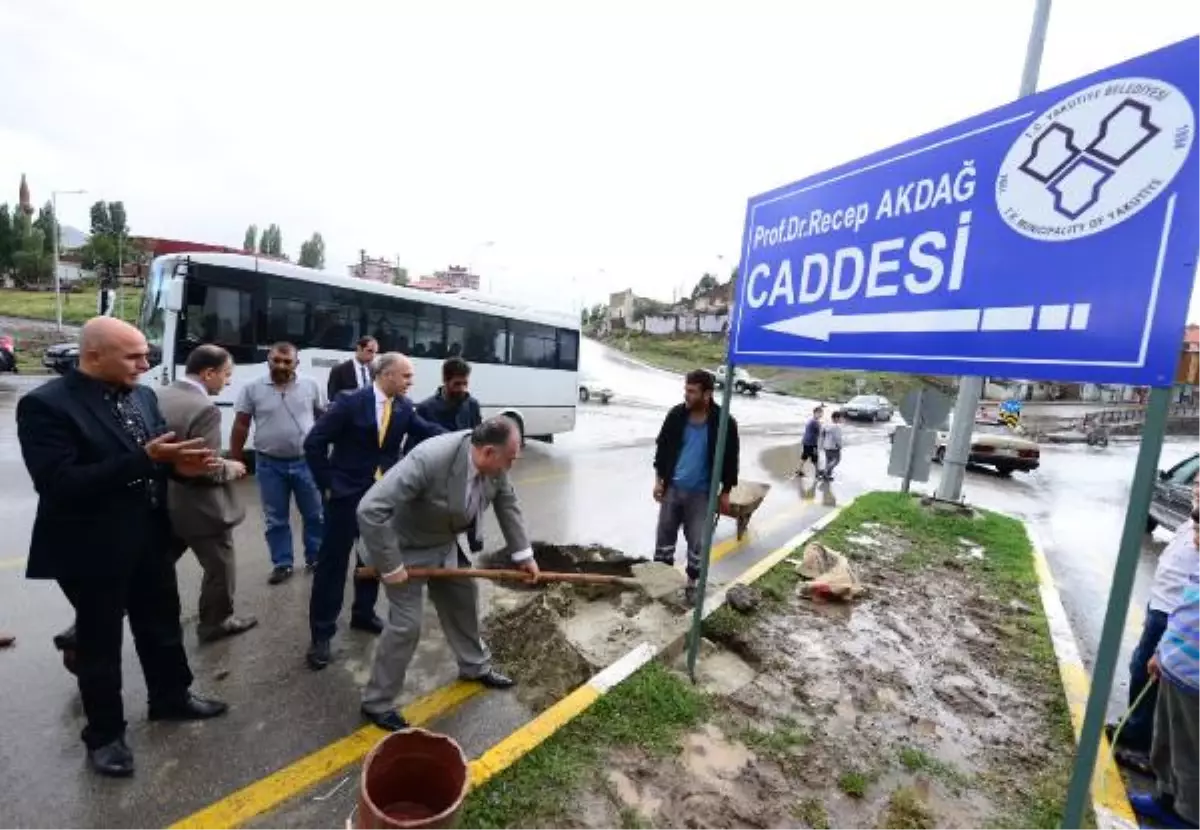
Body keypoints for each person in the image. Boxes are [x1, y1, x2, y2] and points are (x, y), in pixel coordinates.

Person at [17, 317, 228, 778]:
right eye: (134, 356)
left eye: (145, 354)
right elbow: (60, 484)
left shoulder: (143, 395)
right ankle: (105, 736)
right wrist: (146, 459)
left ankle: (170, 697)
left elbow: (157, 462)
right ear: (94, 356)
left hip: (150, 537)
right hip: (90, 547)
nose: (146, 363)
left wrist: (181, 469)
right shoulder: (46, 406)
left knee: (161, 624)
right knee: (100, 645)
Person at [356, 417, 539, 731]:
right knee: (406, 626)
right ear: (487, 453)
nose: (512, 466)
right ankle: (377, 703)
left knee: (464, 601)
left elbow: (507, 503)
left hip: (446, 544)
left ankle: (474, 666)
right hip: (404, 549)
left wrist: (524, 555)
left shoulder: (496, 467)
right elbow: (370, 509)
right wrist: (391, 566)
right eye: (510, 459)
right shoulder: (430, 459)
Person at [304, 353, 445, 671]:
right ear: (387, 374)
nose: (411, 382)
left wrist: (466, 437)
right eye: (407, 376)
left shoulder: (405, 407)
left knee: (372, 557)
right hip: (345, 496)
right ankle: (321, 634)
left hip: (381, 499)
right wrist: (328, 484)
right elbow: (314, 443)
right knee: (333, 565)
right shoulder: (349, 402)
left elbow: (428, 430)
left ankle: (363, 614)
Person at [157, 344, 257, 643]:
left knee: (151, 567)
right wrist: (234, 467)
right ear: (208, 373)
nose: (227, 382)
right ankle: (216, 622)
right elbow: (206, 468)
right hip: (200, 509)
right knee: (220, 567)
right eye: (226, 375)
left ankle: (85, 626)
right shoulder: (205, 409)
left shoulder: (159, 394)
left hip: (164, 501)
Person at [1108, 495, 1200, 771]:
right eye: (1196, 483)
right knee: (1144, 670)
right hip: (1165, 612)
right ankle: (1140, 732)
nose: (1198, 490)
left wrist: (1166, 650)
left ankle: (1149, 750)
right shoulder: (1188, 524)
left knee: (1162, 691)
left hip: (1175, 622)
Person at [231, 342, 326, 584]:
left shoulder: (311, 385)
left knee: (315, 514)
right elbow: (241, 423)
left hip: (306, 463)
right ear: (268, 360)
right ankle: (282, 564)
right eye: (276, 360)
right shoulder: (252, 388)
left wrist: (327, 453)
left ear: (297, 363)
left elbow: (323, 419)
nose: (281, 365)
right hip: (269, 464)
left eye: (287, 361)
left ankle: (316, 558)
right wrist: (236, 457)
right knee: (275, 518)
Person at [652, 369, 740, 605]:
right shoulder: (676, 415)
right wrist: (659, 479)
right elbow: (663, 447)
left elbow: (731, 459)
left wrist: (726, 492)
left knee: (698, 542)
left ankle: (692, 584)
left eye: (692, 391)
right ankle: (661, 581)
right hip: (673, 488)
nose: (687, 395)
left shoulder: (724, 423)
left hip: (702, 494)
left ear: (707, 393)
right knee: (664, 537)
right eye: (686, 390)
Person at [1131, 554, 1200, 827]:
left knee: (1189, 756)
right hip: (1174, 670)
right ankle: (1166, 798)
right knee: (1164, 742)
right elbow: (1181, 614)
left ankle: (1188, 817)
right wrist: (1162, 652)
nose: (1194, 536)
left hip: (1195, 684)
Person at [417, 357, 485, 552]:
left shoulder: (472, 404)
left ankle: (472, 542)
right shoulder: (426, 409)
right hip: (437, 478)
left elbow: (478, 435)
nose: (462, 389)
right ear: (445, 381)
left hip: (464, 473)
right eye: (457, 384)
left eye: (465, 383)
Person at [327, 336, 378, 401]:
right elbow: (332, 397)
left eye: (375, 352)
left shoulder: (374, 370)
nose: (373, 355)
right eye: (369, 351)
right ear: (359, 348)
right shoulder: (339, 370)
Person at [798, 405, 823, 476]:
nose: (821, 415)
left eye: (821, 413)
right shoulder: (815, 422)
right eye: (819, 413)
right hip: (811, 443)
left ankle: (799, 470)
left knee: (804, 456)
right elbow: (820, 432)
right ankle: (817, 473)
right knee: (815, 458)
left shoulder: (811, 420)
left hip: (806, 441)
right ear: (815, 413)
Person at [818, 411, 844, 481]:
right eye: (840, 418)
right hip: (834, 447)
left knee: (828, 461)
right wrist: (840, 445)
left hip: (826, 446)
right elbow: (837, 438)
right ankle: (824, 472)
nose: (841, 420)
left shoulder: (825, 425)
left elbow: (822, 435)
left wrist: (822, 444)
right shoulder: (836, 427)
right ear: (836, 418)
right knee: (837, 460)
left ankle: (826, 474)